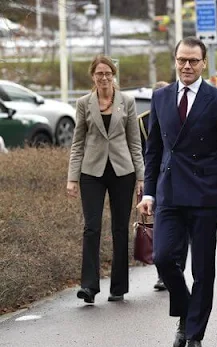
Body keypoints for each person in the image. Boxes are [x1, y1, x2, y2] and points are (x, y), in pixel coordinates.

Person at [136, 36, 217, 347]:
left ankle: (195, 334)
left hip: (205, 194)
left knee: (203, 270)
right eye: (181, 59)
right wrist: (149, 192)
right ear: (175, 60)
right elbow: (153, 150)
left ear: (204, 63)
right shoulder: (160, 97)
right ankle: (184, 311)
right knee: (164, 258)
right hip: (169, 193)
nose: (186, 66)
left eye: (193, 61)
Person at [67, 54, 145, 304]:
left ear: (113, 75)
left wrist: (142, 177)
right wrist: (72, 178)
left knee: (120, 228)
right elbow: (78, 142)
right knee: (91, 227)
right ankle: (89, 286)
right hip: (92, 172)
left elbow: (135, 142)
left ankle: (118, 287)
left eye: (107, 73)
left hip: (123, 172)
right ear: (93, 76)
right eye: (99, 74)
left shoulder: (127, 102)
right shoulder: (84, 103)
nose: (103, 78)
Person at [137, 80, 187, 292]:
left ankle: (176, 269)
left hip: (181, 179)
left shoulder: (182, 114)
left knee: (181, 228)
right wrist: (145, 185)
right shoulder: (143, 121)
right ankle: (163, 273)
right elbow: (145, 151)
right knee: (161, 227)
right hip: (158, 180)